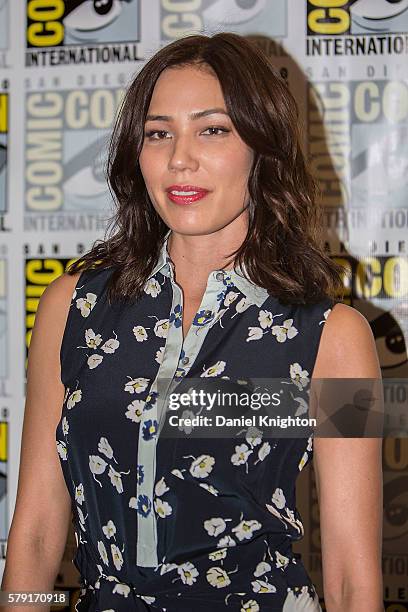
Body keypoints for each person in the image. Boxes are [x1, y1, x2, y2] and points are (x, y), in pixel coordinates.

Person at [2, 32, 383, 611]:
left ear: (262, 145)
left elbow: (354, 581)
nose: (180, 158)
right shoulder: (70, 306)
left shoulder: (337, 336)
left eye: (213, 129)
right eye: (158, 133)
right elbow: (32, 536)